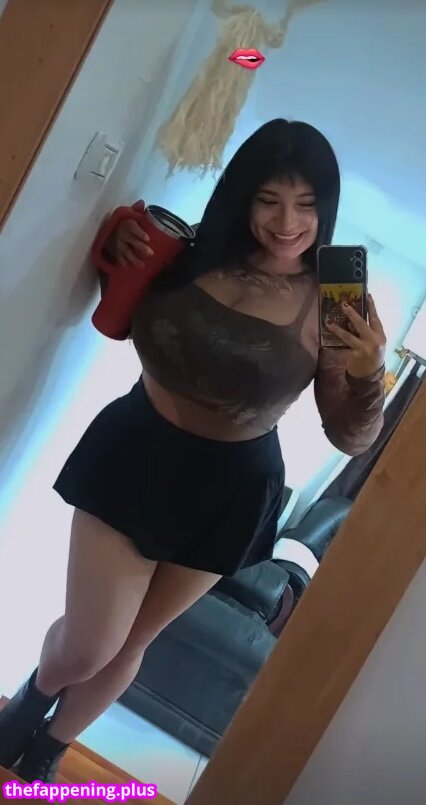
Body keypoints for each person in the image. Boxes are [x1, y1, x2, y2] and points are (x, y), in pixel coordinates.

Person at [0, 119, 386, 781]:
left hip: (233, 486)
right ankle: (35, 695)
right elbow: (124, 315)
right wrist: (117, 244)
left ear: (326, 206)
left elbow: (350, 436)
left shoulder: (334, 304)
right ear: (242, 196)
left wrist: (369, 373)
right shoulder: (190, 249)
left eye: (306, 203)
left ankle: (49, 747)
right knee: (91, 642)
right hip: (137, 447)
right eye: (269, 200)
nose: (288, 222)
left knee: (134, 640)